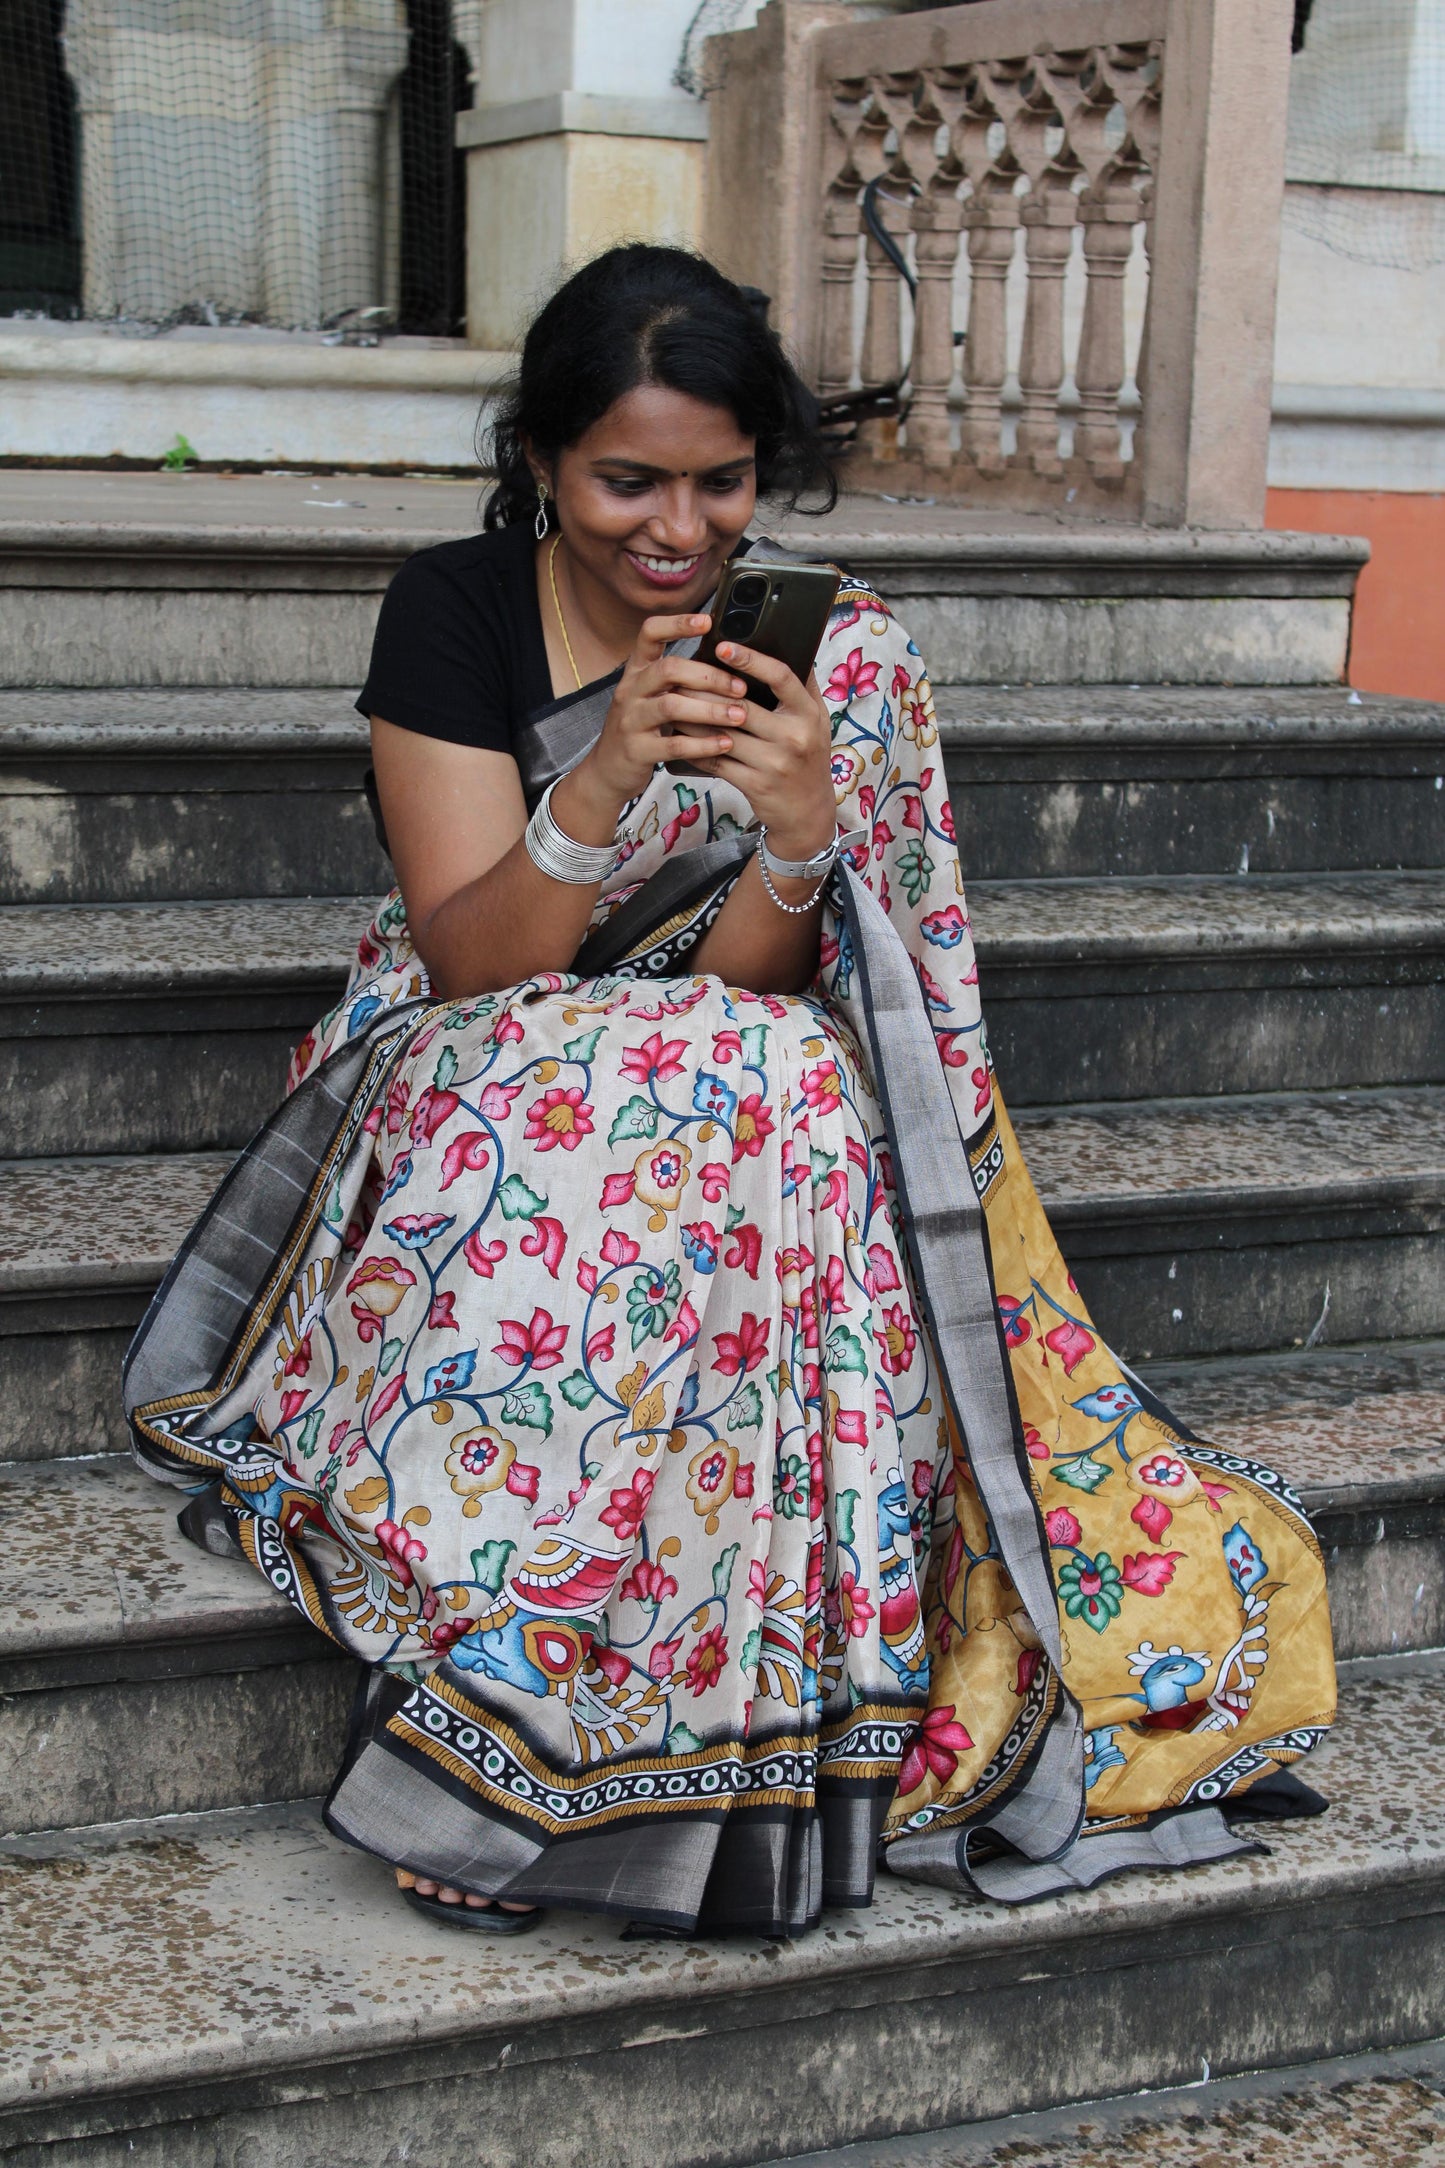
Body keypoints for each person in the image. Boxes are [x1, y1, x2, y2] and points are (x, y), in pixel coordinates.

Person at [127, 245, 1337, 1938]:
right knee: (722, 1089)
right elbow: (476, 956)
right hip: (467, 1065)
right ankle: (506, 1688)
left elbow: (761, 990)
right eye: (627, 480)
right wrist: (612, 766)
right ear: (541, 461)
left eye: (721, 483)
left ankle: (580, 1716)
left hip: (701, 1098)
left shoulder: (839, 655)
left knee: (754, 1071)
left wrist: (792, 837)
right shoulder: (453, 611)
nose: (678, 532)